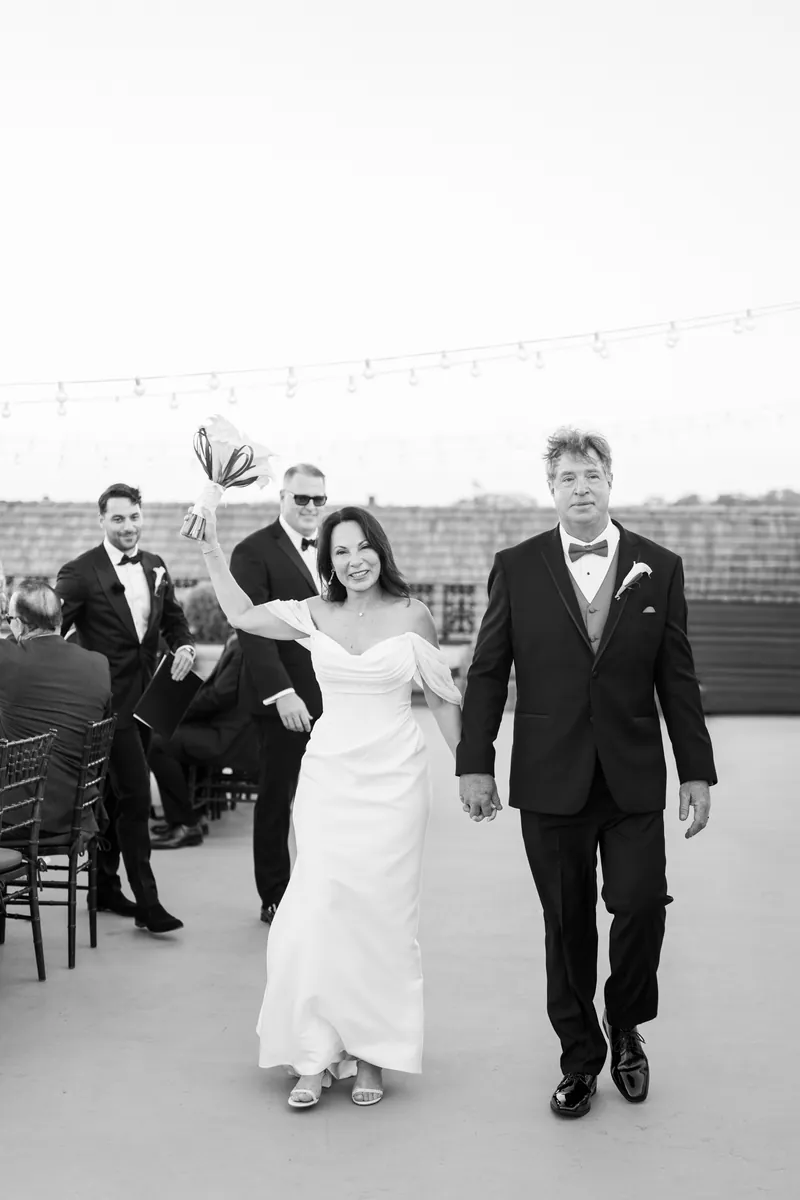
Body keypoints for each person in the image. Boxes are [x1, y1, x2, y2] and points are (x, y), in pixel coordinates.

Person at [457, 427, 717, 1118]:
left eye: (591, 475)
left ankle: (625, 1021)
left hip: (632, 777)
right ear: (553, 488)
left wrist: (697, 769)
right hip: (549, 777)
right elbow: (488, 672)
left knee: (640, 905)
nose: (581, 487)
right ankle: (579, 1059)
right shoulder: (517, 566)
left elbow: (678, 677)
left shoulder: (658, 566)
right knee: (565, 923)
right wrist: (473, 763)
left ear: (610, 481)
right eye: (567, 477)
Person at [185, 501, 463, 1109]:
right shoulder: (311, 613)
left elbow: (442, 699)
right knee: (314, 909)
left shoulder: (412, 614)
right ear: (327, 561)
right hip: (330, 778)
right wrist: (210, 546)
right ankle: (312, 1053)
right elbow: (240, 613)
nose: (354, 559)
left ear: (379, 550)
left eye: (363, 546)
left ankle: (370, 1053)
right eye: (341, 551)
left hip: (395, 782)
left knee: (382, 917)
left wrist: (472, 771)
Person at [55, 483, 196, 935]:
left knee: (115, 797)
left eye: (134, 516)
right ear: (101, 521)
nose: (129, 526)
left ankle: (104, 885)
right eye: (118, 519)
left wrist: (187, 646)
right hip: (106, 709)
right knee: (136, 797)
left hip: (149, 702)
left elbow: (173, 620)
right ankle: (149, 903)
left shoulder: (155, 565)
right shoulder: (79, 573)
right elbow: (51, 632)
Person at [229, 464, 326, 924]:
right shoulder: (253, 551)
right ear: (282, 499)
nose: (310, 508)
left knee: (326, 798)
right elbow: (251, 629)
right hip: (284, 701)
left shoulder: (334, 549)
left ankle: (321, 886)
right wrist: (282, 693)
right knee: (276, 799)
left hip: (333, 698)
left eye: (317, 500)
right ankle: (275, 894)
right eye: (301, 499)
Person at [0, 579, 111, 839]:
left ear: (17, 623)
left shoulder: (7, 658)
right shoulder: (98, 664)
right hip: (77, 814)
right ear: (59, 619)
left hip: (16, 816)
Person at [148, 630, 258, 848]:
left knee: (156, 745)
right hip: (225, 727)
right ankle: (191, 815)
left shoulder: (244, 644)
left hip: (229, 737)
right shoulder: (241, 639)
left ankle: (185, 824)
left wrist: (179, 707)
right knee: (167, 733)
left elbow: (220, 695)